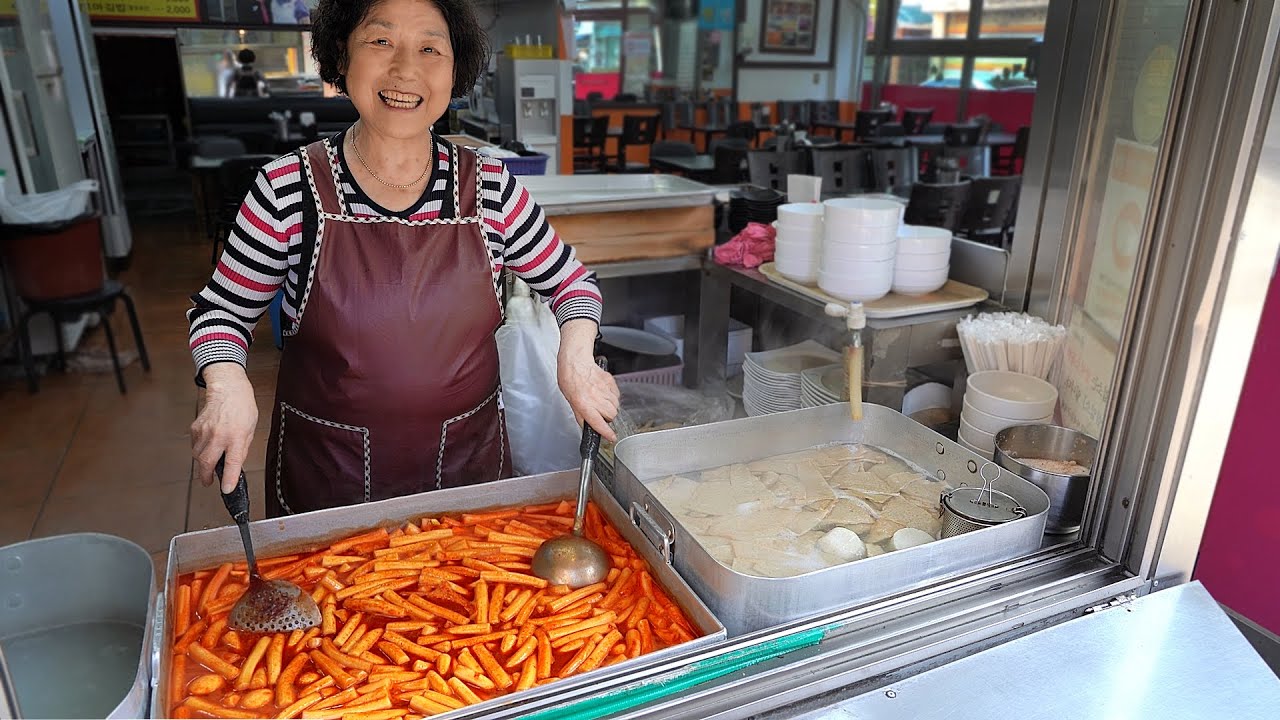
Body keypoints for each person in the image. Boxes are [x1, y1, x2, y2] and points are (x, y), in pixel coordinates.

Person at [188, 0, 620, 517]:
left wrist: (574, 357)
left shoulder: (492, 189)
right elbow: (222, 313)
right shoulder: (287, 190)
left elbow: (573, 284)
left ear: (454, 69)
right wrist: (226, 381)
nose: (405, 69)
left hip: (467, 478)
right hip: (329, 486)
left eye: (430, 48)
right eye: (380, 41)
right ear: (340, 58)